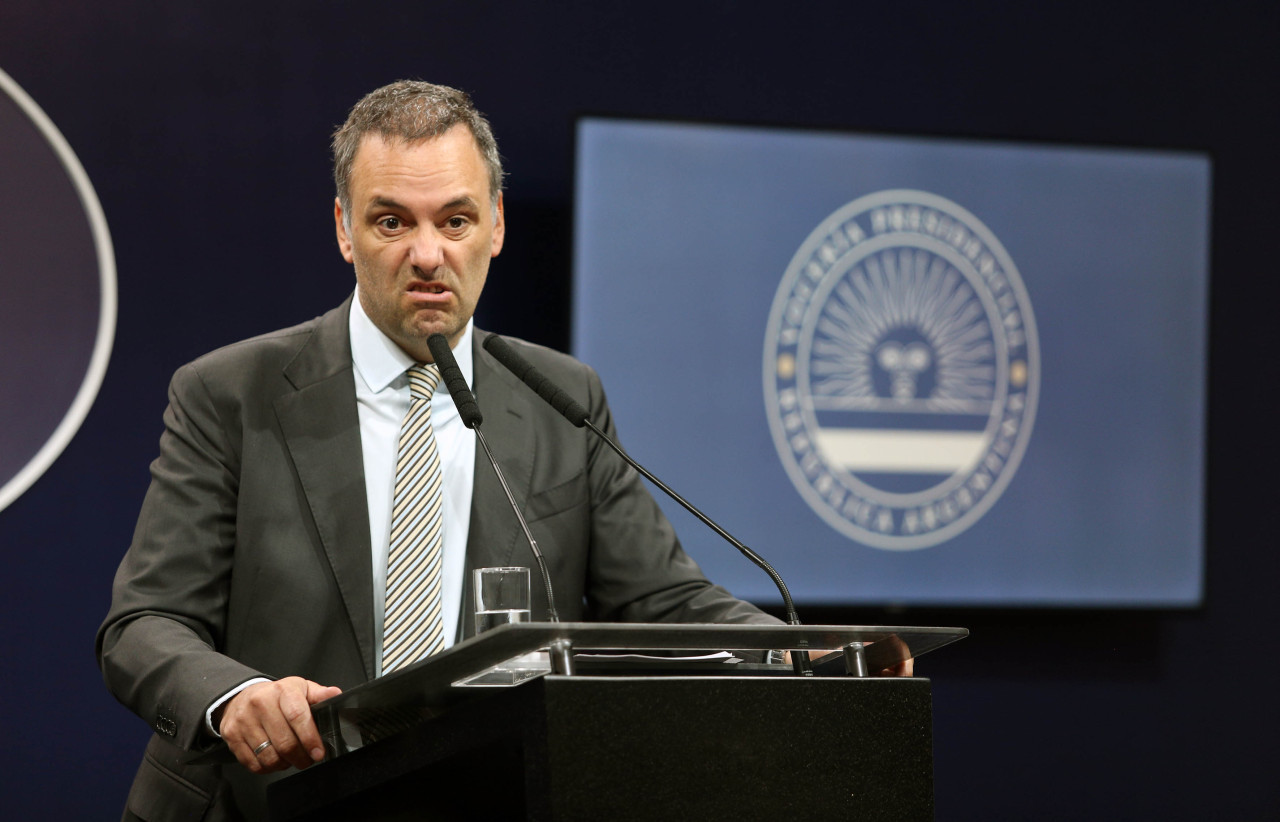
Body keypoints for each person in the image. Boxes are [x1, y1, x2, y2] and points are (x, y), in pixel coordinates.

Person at [96, 80, 791, 822]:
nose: (427, 254)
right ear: (343, 228)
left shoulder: (562, 395)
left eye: (455, 220)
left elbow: (661, 601)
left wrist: (801, 654)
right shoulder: (232, 393)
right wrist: (235, 696)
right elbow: (144, 623)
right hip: (272, 802)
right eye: (391, 221)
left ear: (495, 226)